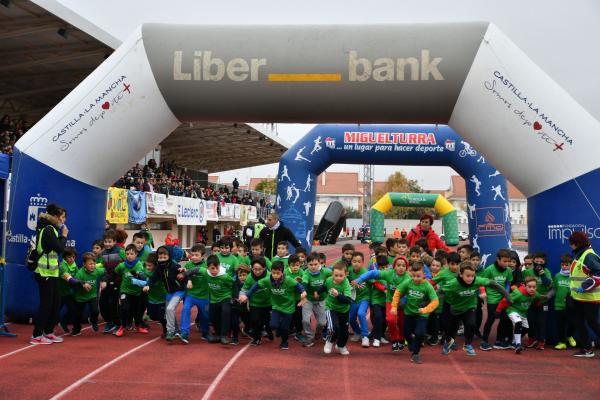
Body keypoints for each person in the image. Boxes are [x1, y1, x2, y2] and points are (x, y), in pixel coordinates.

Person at [440, 262, 510, 357]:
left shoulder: (477, 280)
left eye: (472, 276)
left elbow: (493, 284)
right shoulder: (453, 283)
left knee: (471, 324)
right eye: (467, 276)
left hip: (470, 307)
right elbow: (439, 292)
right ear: (461, 275)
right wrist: (426, 302)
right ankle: (447, 343)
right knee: (452, 330)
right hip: (456, 308)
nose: (470, 278)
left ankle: (468, 344)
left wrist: (506, 295)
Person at [240, 261, 307, 350]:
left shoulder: (288, 280)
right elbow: (256, 285)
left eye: (278, 273)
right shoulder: (268, 280)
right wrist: (247, 295)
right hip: (276, 306)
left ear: (282, 273)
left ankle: (284, 342)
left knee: (285, 327)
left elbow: (299, 286)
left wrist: (303, 292)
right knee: (273, 325)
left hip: (288, 307)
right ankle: (279, 329)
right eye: (273, 273)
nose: (275, 275)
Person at [30, 204, 69, 345]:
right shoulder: (48, 229)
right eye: (62, 216)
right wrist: (64, 236)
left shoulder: (51, 228)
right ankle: (37, 335)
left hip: (52, 272)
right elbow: (58, 248)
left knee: (55, 302)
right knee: (46, 304)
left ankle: (48, 331)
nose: (64, 219)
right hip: (43, 272)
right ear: (55, 216)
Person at [355, 255, 411, 352]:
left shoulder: (408, 278)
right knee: (391, 319)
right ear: (394, 266)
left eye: (403, 266)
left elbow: (410, 291)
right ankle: (394, 340)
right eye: (398, 265)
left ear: (406, 267)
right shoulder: (389, 273)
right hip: (390, 301)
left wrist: (404, 301)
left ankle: (401, 339)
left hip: (402, 303)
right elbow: (372, 273)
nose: (401, 268)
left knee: (402, 322)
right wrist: (359, 279)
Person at [390, 262, 439, 364]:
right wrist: (394, 307)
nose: (416, 278)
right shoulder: (408, 282)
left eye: (418, 276)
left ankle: (415, 354)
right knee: (406, 333)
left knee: (419, 333)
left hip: (422, 314)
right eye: (414, 276)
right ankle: (412, 344)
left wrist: (425, 310)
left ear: (424, 275)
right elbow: (397, 292)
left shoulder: (427, 286)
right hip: (409, 313)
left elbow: (435, 301)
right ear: (411, 274)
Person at [143, 246, 188, 342]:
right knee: (168, 312)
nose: (162, 259)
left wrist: (185, 277)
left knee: (170, 308)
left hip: (179, 291)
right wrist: (148, 285)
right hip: (169, 292)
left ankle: (170, 331)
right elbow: (153, 278)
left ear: (169, 257)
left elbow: (184, 274)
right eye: (160, 257)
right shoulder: (159, 268)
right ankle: (176, 330)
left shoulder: (175, 266)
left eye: (164, 257)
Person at [567, 231, 600, 358]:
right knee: (579, 322)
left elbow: (598, 273)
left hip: (590, 297)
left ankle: (587, 349)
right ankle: (587, 349)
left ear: (576, 244)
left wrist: (585, 287)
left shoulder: (588, 255)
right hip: (578, 297)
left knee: (592, 322)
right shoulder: (580, 255)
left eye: (571, 244)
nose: (570, 246)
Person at [496, 276, 542, 354]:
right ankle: (518, 344)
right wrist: (498, 311)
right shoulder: (518, 293)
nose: (532, 289)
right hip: (512, 310)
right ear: (525, 286)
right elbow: (505, 300)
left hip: (523, 313)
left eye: (534, 287)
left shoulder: (535, 294)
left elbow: (538, 299)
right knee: (518, 322)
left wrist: (538, 304)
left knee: (526, 328)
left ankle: (514, 342)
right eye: (529, 287)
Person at [479, 249, 513, 351]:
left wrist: (505, 295)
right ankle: (484, 341)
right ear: (498, 259)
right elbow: (482, 282)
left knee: (505, 319)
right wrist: (483, 292)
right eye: (504, 261)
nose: (507, 264)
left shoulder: (508, 271)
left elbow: (508, 283)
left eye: (508, 261)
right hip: (492, 300)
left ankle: (500, 340)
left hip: (502, 300)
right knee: (491, 320)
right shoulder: (489, 269)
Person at [113, 244, 147, 337]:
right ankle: (122, 326)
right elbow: (116, 272)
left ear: (136, 254)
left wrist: (138, 275)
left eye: (131, 254)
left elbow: (142, 276)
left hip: (136, 292)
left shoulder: (139, 265)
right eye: (127, 254)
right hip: (125, 290)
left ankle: (138, 326)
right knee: (124, 308)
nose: (129, 256)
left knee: (137, 310)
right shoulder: (122, 265)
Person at [320, 263, 353, 356]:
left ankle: (341, 346)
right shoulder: (329, 280)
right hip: (331, 307)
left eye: (341, 276)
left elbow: (348, 300)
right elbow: (324, 286)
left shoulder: (346, 284)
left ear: (345, 275)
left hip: (344, 310)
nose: (338, 278)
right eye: (336, 275)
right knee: (333, 327)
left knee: (345, 332)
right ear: (332, 275)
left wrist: (338, 295)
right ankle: (329, 341)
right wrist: (317, 292)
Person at [522, 252, 552, 350]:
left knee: (541, 322)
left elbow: (549, 284)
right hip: (530, 301)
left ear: (545, 263)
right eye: (536, 261)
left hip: (542, 301)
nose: (539, 264)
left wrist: (542, 274)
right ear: (533, 262)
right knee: (530, 320)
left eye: (541, 262)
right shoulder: (528, 272)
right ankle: (531, 338)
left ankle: (541, 341)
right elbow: (523, 284)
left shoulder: (546, 271)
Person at [301, 253, 332, 347]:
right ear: (307, 264)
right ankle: (309, 338)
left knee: (322, 322)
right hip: (308, 300)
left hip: (321, 300)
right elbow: (304, 283)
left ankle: (318, 332)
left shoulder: (326, 271)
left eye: (315, 264)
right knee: (305, 320)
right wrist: (303, 295)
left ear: (320, 264)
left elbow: (335, 275)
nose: (313, 267)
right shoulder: (306, 273)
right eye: (310, 264)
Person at [180, 245, 210, 343]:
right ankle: (184, 333)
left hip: (204, 296)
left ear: (203, 256)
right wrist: (188, 280)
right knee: (185, 309)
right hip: (191, 294)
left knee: (205, 316)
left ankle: (205, 333)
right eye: (192, 255)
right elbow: (185, 275)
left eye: (197, 255)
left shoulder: (206, 265)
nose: (194, 257)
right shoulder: (188, 264)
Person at [99, 229, 126, 334]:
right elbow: (102, 268)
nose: (107, 244)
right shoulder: (103, 253)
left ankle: (117, 323)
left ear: (115, 242)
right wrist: (103, 280)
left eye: (110, 241)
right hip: (106, 281)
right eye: (105, 241)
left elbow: (126, 263)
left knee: (113, 303)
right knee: (103, 303)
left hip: (117, 281)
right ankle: (109, 322)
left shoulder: (120, 251)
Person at [72, 252, 105, 336]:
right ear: (84, 264)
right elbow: (74, 282)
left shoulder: (97, 271)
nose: (92, 266)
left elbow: (105, 272)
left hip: (92, 296)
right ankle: (76, 329)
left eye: (94, 264)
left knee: (95, 310)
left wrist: (104, 280)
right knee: (77, 315)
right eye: (90, 264)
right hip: (80, 297)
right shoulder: (80, 273)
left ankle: (94, 321)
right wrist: (83, 284)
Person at [241, 257, 272, 346]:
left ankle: (269, 331)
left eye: (259, 269)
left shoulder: (269, 276)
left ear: (264, 268)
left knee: (268, 322)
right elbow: (244, 289)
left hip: (268, 303)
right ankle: (256, 338)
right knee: (255, 321)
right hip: (255, 304)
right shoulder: (250, 277)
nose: (257, 271)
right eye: (254, 269)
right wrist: (242, 295)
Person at [552, 254, 576, 350]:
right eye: (562, 265)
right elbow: (554, 289)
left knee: (573, 323)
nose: (564, 266)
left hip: (571, 306)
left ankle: (569, 335)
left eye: (566, 265)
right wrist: (546, 297)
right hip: (558, 305)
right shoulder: (557, 276)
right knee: (560, 325)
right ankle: (562, 342)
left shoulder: (574, 276)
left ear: (571, 265)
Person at [347, 251, 370, 347]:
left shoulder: (366, 273)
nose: (356, 263)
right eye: (354, 261)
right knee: (350, 318)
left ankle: (365, 336)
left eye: (359, 261)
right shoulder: (349, 271)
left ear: (363, 262)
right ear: (351, 262)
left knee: (361, 313)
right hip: (353, 299)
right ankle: (358, 332)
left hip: (364, 298)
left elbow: (375, 281)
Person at [57, 247, 78, 334]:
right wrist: (82, 283)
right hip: (59, 293)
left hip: (68, 293)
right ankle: (46, 327)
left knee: (73, 310)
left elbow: (78, 275)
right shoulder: (62, 266)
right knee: (54, 310)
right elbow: (69, 279)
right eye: (69, 257)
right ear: (65, 257)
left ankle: (63, 323)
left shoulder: (74, 265)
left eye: (73, 257)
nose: (72, 259)